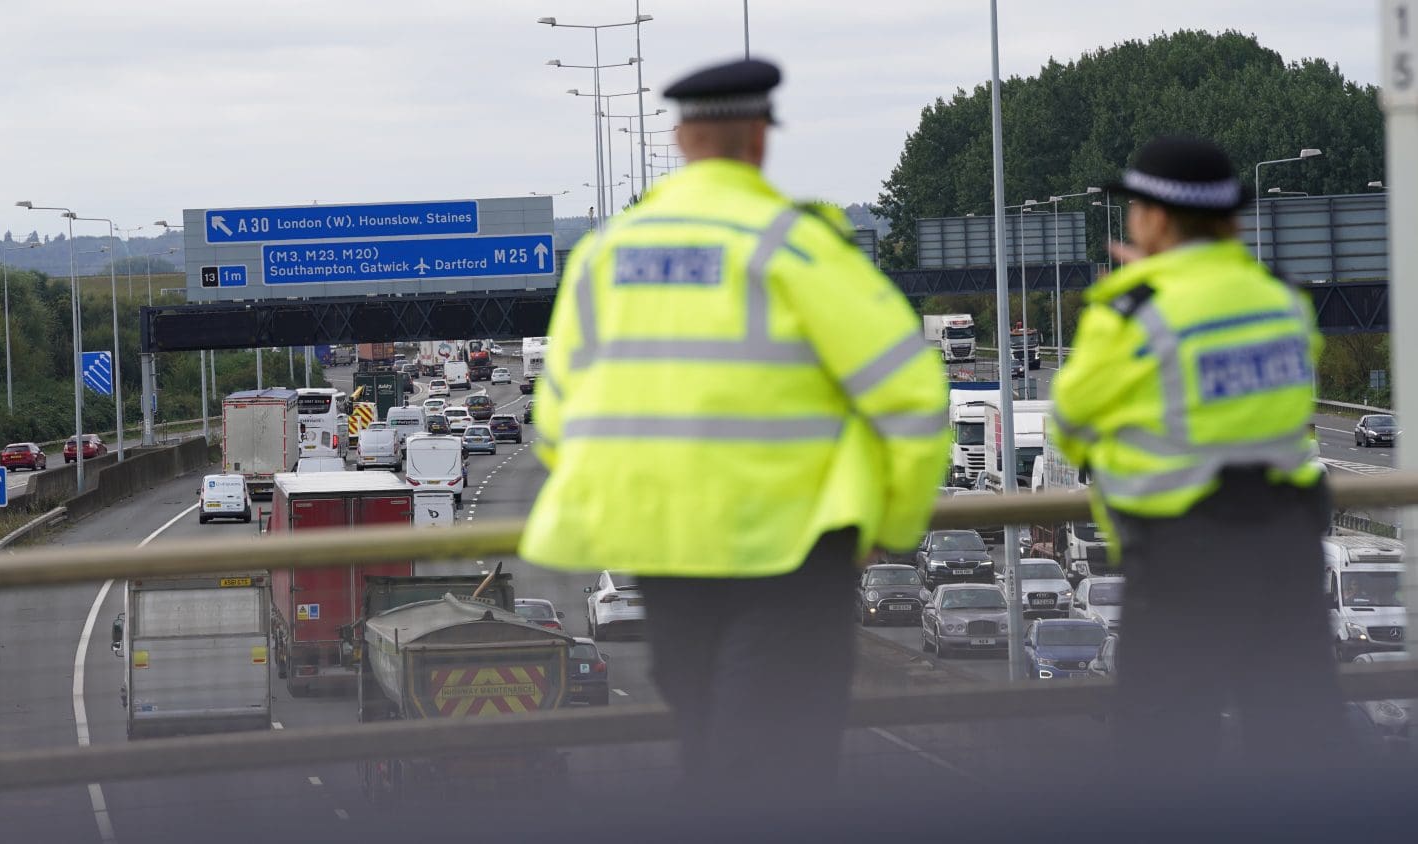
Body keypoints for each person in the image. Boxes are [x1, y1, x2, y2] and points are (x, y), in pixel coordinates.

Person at [519, 58, 950, 800]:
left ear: (682, 138)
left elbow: (556, 421)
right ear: (759, 138)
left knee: (709, 753)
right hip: (793, 553)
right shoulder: (797, 247)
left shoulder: (603, 256)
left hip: (667, 552)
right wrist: (890, 522)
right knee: (782, 771)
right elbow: (911, 396)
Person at [1051, 135, 1346, 777]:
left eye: (1134, 207)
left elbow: (1069, 426)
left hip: (1184, 565)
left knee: (1164, 761)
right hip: (1290, 552)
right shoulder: (1280, 296)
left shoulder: (1134, 312)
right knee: (1300, 751)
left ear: (1155, 219)